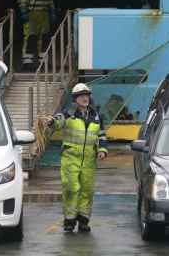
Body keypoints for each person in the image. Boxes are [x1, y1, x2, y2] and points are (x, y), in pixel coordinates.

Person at [47, 83, 108, 233]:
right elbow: (58, 121)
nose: (85, 98)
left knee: (87, 190)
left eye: (87, 95)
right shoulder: (68, 113)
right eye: (81, 95)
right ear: (75, 99)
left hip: (89, 160)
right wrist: (52, 122)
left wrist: (102, 149)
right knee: (72, 188)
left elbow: (101, 135)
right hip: (70, 158)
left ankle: (83, 221)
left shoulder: (96, 115)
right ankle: (69, 220)